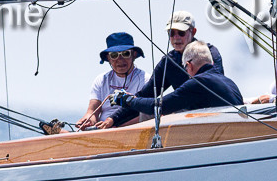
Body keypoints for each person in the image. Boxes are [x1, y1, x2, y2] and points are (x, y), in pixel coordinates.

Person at [97, 40, 240, 127]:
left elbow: (159, 106)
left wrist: (127, 100)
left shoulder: (198, 83)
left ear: (189, 65)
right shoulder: (229, 82)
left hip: (224, 134)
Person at [131, 10, 223, 101]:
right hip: (186, 113)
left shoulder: (210, 52)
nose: (176, 37)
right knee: (144, 112)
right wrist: (119, 113)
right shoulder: (169, 62)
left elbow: (216, 82)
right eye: (171, 33)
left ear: (193, 32)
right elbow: (147, 93)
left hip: (213, 110)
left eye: (181, 32)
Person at [77, 32, 147, 130]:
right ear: (108, 58)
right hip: (103, 131)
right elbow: (92, 112)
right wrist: (88, 120)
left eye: (125, 54)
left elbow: (146, 114)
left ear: (134, 55)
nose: (120, 59)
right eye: (114, 55)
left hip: (132, 130)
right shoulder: (101, 80)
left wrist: (115, 126)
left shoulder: (145, 79)